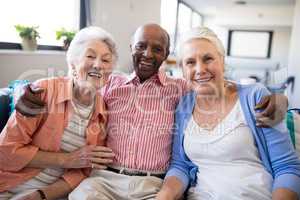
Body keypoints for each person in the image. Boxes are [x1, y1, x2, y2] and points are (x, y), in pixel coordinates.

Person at [15, 24, 288, 200]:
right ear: (131, 49)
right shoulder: (111, 84)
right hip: (106, 178)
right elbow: (73, 82)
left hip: (153, 184)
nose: (148, 53)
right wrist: (25, 91)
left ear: (167, 55)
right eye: (141, 46)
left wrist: (279, 99)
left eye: (157, 49)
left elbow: (220, 87)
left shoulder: (182, 90)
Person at [157, 27, 300, 200]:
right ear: (182, 68)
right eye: (190, 62)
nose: (200, 69)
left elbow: (286, 166)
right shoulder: (184, 106)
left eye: (208, 58)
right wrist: (164, 196)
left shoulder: (255, 96)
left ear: (222, 61)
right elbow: (180, 165)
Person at [0, 26, 117, 200]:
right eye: (90, 56)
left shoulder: (103, 113)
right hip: (9, 185)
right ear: (73, 64)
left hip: (51, 194)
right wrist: (66, 159)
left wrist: (40, 195)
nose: (98, 65)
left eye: (106, 60)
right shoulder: (43, 91)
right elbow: (6, 151)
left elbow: (84, 171)